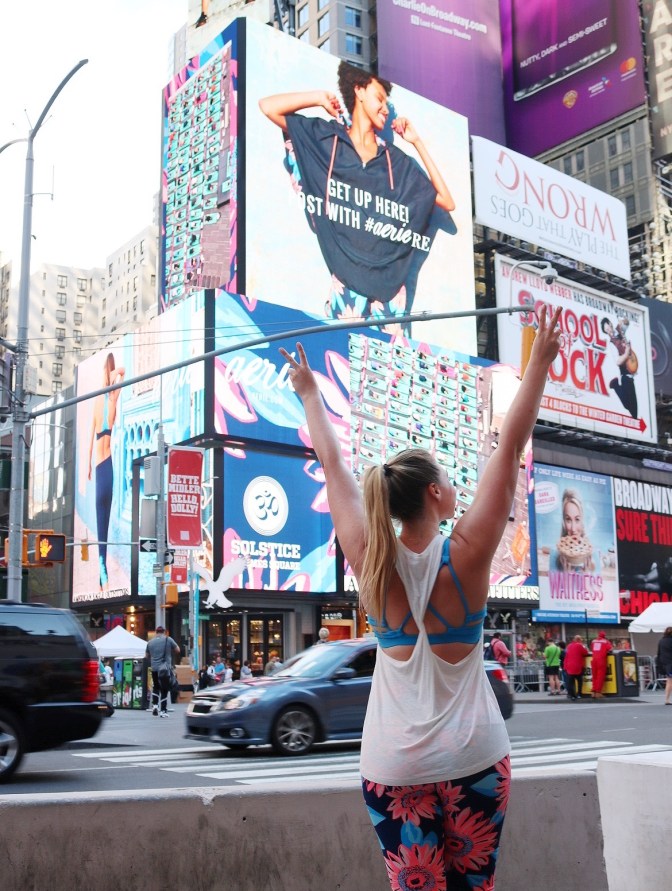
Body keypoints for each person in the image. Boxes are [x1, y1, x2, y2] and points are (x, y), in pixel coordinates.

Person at [279, 305, 562, 889]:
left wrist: (309, 391)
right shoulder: (467, 556)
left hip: (394, 768)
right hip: (476, 759)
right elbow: (510, 449)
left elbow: (332, 464)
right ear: (435, 493)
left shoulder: (370, 560)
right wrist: (538, 365)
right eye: (450, 480)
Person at [259, 61, 455, 332]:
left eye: (387, 104)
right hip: (345, 286)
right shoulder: (329, 139)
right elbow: (268, 107)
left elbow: (447, 201)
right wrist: (317, 98)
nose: (385, 109)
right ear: (359, 91)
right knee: (335, 363)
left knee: (388, 371)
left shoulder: (395, 161)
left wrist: (417, 142)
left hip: (389, 293)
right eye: (379, 98)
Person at [87, 352, 125, 593]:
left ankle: (103, 571)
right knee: (104, 518)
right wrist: (113, 378)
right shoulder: (110, 401)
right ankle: (103, 572)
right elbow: (123, 372)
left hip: (102, 465)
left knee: (103, 521)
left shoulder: (105, 401)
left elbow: (89, 440)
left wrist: (87, 469)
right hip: (105, 466)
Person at [601, 316, 638, 419]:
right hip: (625, 374)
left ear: (610, 323)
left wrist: (624, 320)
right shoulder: (612, 343)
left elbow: (626, 323)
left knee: (628, 405)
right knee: (632, 410)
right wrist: (626, 353)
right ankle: (616, 386)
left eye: (608, 328)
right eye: (606, 331)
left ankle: (616, 386)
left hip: (631, 371)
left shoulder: (620, 331)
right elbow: (618, 361)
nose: (609, 332)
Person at [556, 488, 594, 572]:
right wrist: (566, 578)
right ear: (563, 521)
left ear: (582, 520)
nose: (573, 529)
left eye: (577, 519)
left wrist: (586, 578)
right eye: (568, 519)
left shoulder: (594, 559)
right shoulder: (554, 558)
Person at [145, 626, 180, 717]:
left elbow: (146, 656)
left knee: (156, 687)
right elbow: (178, 650)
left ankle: (155, 705)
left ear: (156, 632)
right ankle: (163, 711)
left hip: (155, 669)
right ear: (164, 632)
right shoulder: (168, 639)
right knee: (164, 689)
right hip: (165, 669)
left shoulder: (150, 642)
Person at [564, 635, 589, 701]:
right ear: (579, 640)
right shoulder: (580, 645)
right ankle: (579, 694)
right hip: (578, 666)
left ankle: (572, 695)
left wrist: (565, 667)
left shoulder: (569, 646)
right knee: (579, 681)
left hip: (569, 666)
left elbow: (566, 655)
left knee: (570, 682)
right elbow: (585, 653)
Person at [590, 631, 613, 698]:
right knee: (600, 676)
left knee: (594, 676)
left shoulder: (593, 641)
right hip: (601, 660)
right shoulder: (605, 641)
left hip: (594, 660)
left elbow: (592, 649)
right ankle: (598, 692)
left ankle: (593, 692)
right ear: (604, 636)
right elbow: (610, 649)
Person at [656, 627, 672, 705]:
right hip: (670, 663)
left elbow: (659, 653)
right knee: (670, 681)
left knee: (669, 681)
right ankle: (667, 699)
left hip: (665, 663)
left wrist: (659, 664)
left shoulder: (661, 641)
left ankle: (667, 699)